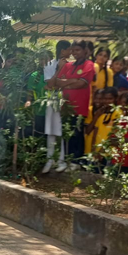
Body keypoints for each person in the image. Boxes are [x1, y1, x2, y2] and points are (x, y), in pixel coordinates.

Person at [49, 40, 96, 170]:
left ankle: (76, 161)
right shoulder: (68, 65)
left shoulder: (89, 65)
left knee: (77, 133)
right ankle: (66, 160)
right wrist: (72, 81)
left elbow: (82, 83)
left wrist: (66, 83)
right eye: (73, 50)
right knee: (66, 133)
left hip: (79, 106)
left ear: (85, 51)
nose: (75, 53)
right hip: (65, 106)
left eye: (78, 50)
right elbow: (56, 82)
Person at [42, 40, 72, 173]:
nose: (71, 52)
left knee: (63, 131)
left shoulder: (71, 66)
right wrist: (59, 69)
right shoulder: (49, 65)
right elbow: (50, 85)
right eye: (69, 49)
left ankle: (62, 161)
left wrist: (56, 83)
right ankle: (50, 160)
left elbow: (68, 83)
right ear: (63, 51)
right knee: (51, 131)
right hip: (52, 100)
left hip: (66, 100)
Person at [85, 87, 121, 171]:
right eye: (105, 99)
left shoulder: (118, 113)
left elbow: (114, 135)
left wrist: (101, 151)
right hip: (96, 152)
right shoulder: (101, 113)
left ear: (115, 99)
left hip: (108, 153)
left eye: (110, 99)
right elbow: (95, 133)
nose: (107, 101)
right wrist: (94, 150)